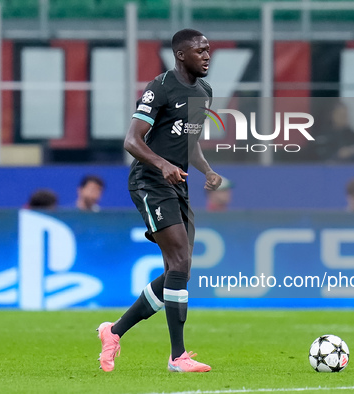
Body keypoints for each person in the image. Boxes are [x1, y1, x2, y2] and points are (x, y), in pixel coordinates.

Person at [97, 29, 221, 373]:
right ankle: (178, 357)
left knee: (176, 271)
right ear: (181, 55)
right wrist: (163, 164)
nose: (208, 55)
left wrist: (207, 170)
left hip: (177, 183)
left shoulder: (205, 92)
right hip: (151, 180)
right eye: (200, 50)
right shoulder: (162, 86)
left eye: (209, 50)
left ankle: (113, 331)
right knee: (179, 260)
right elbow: (132, 140)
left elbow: (189, 142)